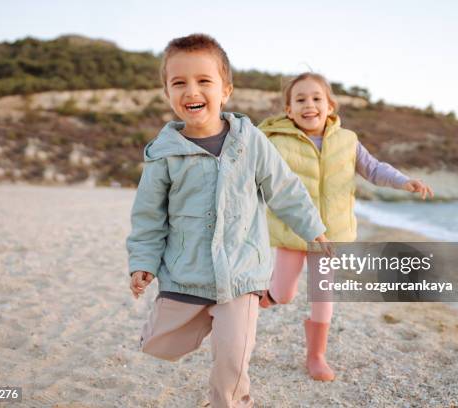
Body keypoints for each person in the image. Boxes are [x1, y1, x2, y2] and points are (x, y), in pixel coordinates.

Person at [127, 36, 329, 407]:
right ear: (167, 92)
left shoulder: (249, 141)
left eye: (204, 81)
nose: (192, 90)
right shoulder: (164, 154)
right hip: (186, 270)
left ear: (226, 91)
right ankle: (206, 321)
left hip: (241, 272)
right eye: (179, 82)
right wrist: (142, 262)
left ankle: (229, 401)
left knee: (233, 357)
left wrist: (313, 228)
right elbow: (148, 217)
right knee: (160, 345)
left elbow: (284, 188)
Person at [258, 72, 434, 382]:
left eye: (316, 99)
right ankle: (271, 295)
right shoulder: (274, 141)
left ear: (330, 106)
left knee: (322, 296)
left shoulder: (347, 140)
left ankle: (316, 356)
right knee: (285, 294)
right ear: (288, 110)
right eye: (300, 100)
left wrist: (404, 182)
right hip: (292, 232)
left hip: (332, 237)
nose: (308, 105)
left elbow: (375, 169)